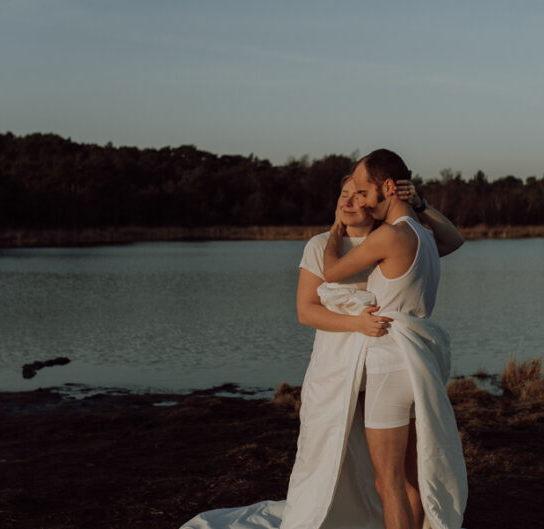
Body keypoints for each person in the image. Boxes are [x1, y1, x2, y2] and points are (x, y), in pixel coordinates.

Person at [180, 166, 466, 529]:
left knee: (391, 471)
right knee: (329, 450)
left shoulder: (390, 238)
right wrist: (355, 321)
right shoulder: (320, 245)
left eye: (358, 194)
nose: (350, 201)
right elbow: (306, 310)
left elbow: (452, 240)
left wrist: (419, 203)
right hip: (339, 367)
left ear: (374, 200)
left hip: (382, 365)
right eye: (343, 195)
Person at [322, 149, 467, 529]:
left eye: (366, 192)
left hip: (388, 366)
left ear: (388, 187)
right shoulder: (423, 235)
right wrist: (420, 204)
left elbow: (333, 272)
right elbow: (455, 239)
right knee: (410, 478)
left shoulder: (390, 236)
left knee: (387, 483)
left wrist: (336, 231)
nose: (364, 202)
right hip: (418, 367)